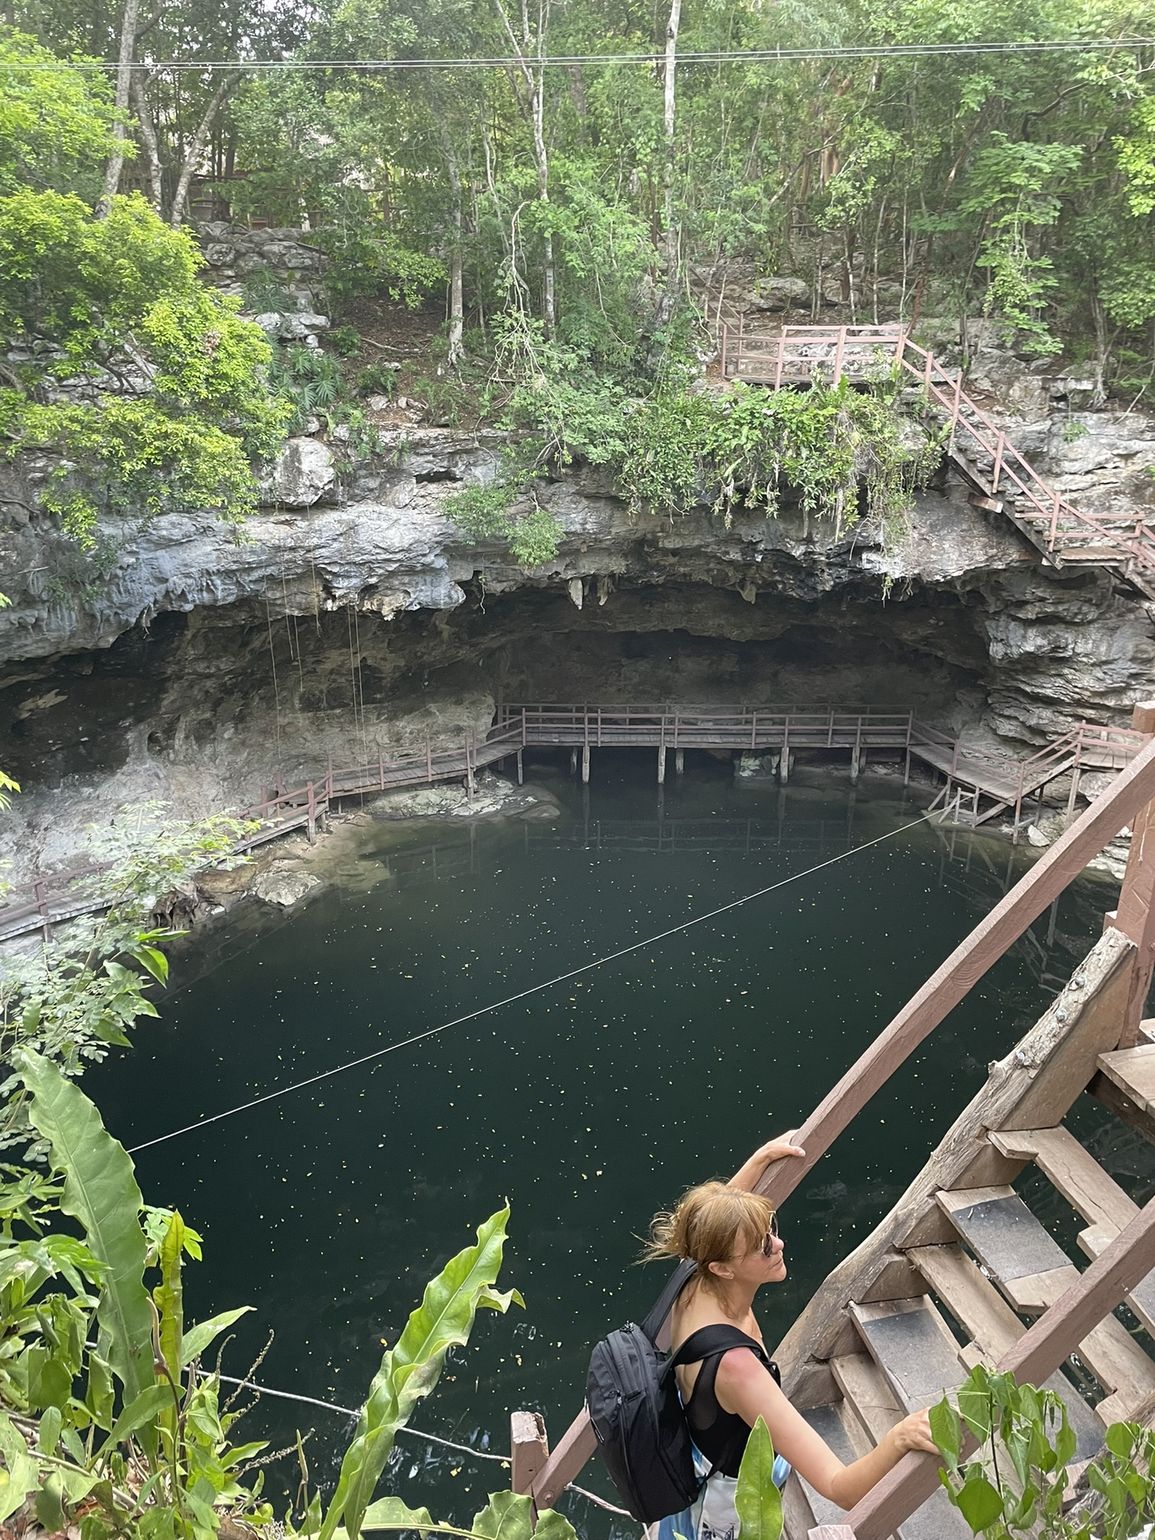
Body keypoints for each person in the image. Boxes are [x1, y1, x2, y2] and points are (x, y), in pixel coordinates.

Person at [647, 1133, 937, 1540]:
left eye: (772, 1229)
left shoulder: (694, 1279)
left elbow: (713, 1218)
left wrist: (761, 1156)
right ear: (724, 1269)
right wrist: (898, 1437)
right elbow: (841, 1487)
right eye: (763, 1246)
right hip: (730, 1509)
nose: (779, 1244)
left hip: (701, 1453)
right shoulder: (736, 1370)